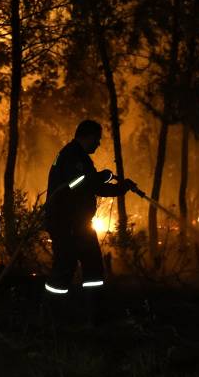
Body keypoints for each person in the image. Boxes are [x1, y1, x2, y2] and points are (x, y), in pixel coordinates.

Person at [43, 120, 136, 309]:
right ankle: (53, 313)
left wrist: (120, 187)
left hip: (79, 224)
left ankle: (93, 311)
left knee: (93, 268)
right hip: (66, 224)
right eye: (97, 139)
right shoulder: (71, 156)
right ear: (88, 136)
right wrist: (102, 177)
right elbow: (78, 184)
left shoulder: (79, 157)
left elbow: (92, 185)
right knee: (65, 267)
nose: (98, 143)